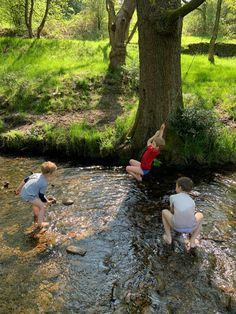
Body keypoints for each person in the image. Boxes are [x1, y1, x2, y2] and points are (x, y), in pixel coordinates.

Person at [162, 176, 203, 251]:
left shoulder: (173, 197)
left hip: (176, 226)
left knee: (164, 212)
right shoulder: (192, 200)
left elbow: (171, 211)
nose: (176, 188)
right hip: (191, 227)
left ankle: (168, 237)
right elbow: (191, 213)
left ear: (179, 187)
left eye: (176, 186)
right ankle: (192, 241)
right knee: (200, 215)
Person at [15, 161, 57, 228]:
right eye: (54, 172)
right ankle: (40, 224)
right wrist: (47, 202)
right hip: (29, 195)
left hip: (24, 191)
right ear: (50, 173)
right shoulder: (44, 183)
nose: (55, 173)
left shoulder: (36, 174)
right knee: (42, 206)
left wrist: (18, 189)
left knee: (36, 201)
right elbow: (41, 196)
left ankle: (36, 214)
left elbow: (25, 180)